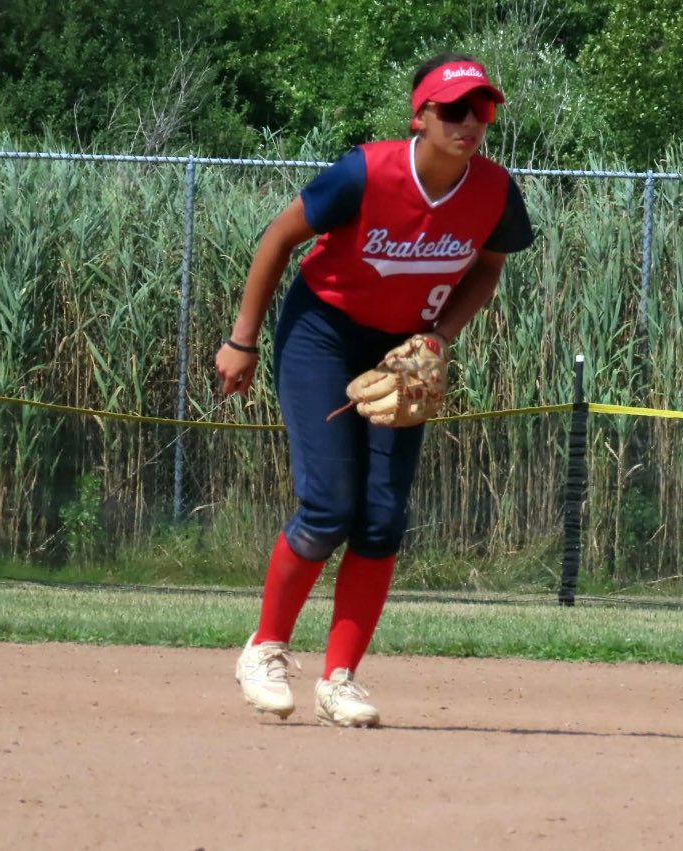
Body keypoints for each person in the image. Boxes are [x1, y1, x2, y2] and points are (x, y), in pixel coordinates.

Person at [214, 51, 535, 728]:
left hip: (402, 350)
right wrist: (241, 341)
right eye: (451, 109)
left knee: (381, 518)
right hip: (322, 332)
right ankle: (264, 647)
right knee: (329, 504)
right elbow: (278, 238)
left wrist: (438, 337)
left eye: (480, 109)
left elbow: (487, 269)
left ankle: (340, 678)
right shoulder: (366, 172)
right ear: (419, 116)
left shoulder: (495, 191)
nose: (468, 122)